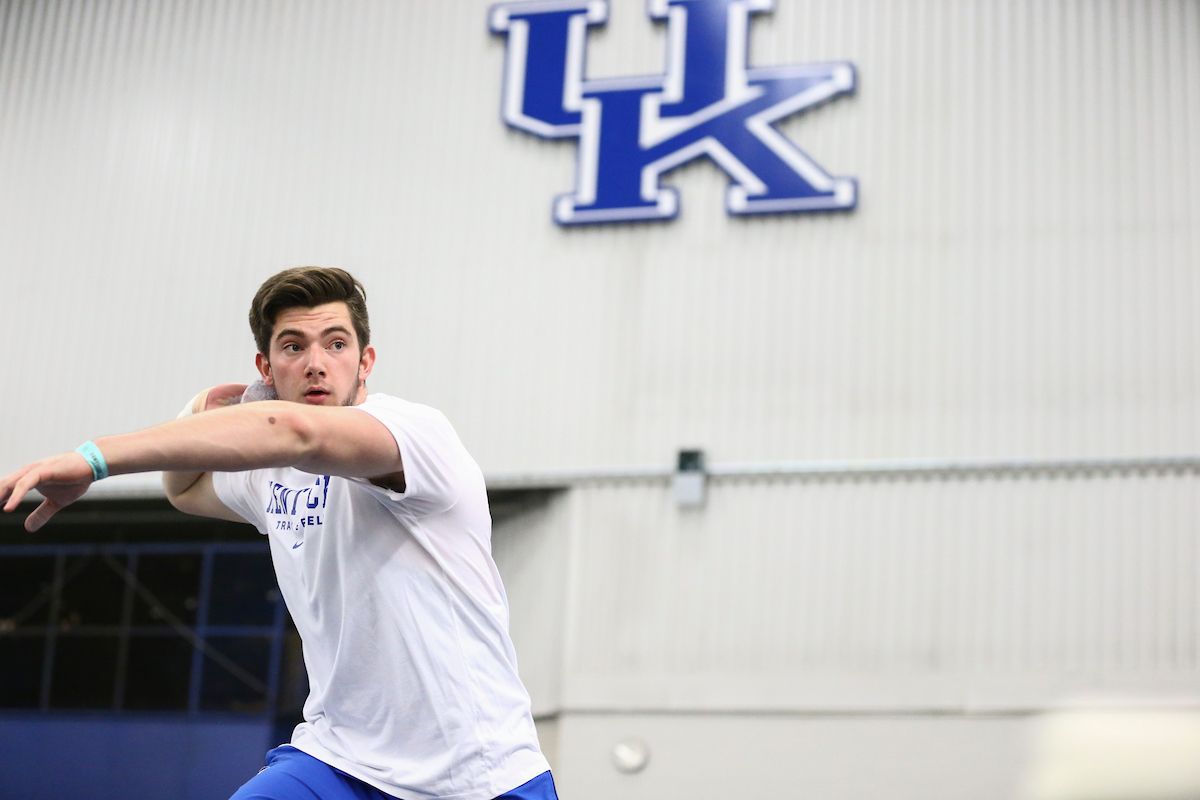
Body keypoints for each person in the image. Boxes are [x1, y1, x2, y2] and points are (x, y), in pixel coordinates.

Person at [0, 267, 557, 800]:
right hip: (338, 759)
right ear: (265, 368)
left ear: (366, 362)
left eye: (336, 344)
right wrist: (196, 409)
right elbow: (186, 490)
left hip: (474, 774)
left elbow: (295, 433)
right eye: (294, 347)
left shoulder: (412, 434)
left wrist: (94, 459)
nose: (316, 363)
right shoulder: (268, 472)